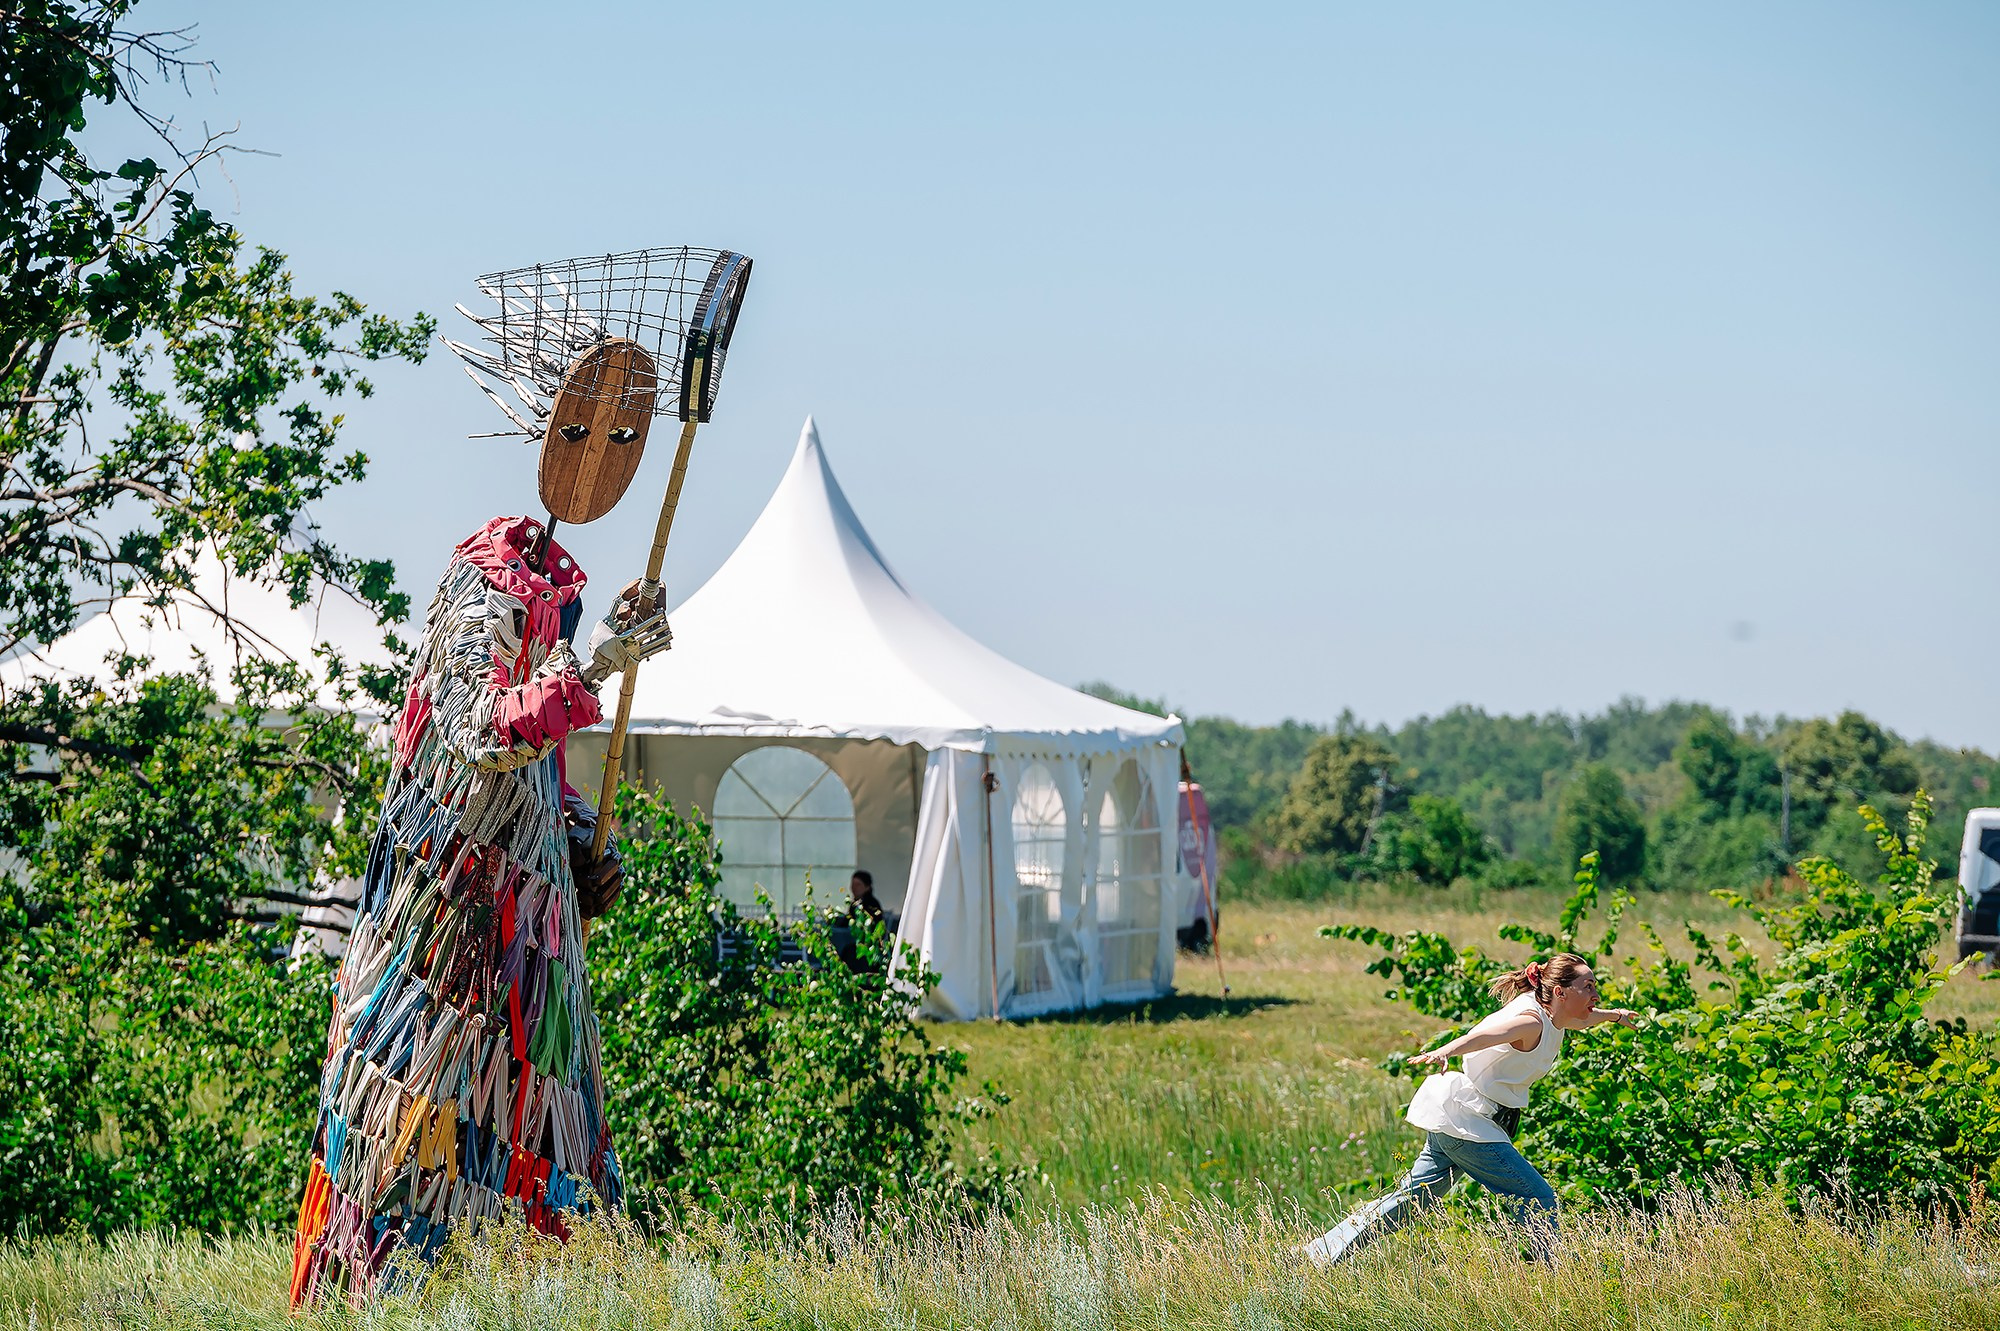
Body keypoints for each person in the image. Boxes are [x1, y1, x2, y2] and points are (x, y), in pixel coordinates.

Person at [1302, 952, 1639, 1266]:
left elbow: (1584, 1019)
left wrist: (1616, 1016)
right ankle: (1554, 1281)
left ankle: (1317, 1254)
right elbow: (1487, 1035)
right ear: (1561, 992)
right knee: (1539, 1199)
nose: (1596, 994)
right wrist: (1446, 1050)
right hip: (1472, 1124)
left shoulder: (1556, 1014)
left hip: (1462, 1120)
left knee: (1410, 1200)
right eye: (1588, 987)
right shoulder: (1530, 1022)